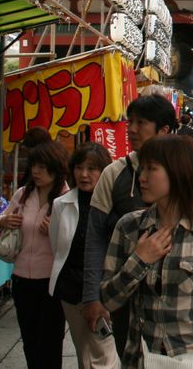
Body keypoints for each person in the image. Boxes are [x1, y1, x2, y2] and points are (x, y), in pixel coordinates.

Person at [101, 135, 193, 369]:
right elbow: (108, 299)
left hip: (191, 358)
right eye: (141, 168)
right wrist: (139, 260)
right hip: (140, 358)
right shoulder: (129, 227)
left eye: (151, 169)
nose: (142, 177)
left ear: (177, 172)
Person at [83, 94, 176, 355]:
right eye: (130, 121)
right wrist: (92, 297)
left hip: (173, 293)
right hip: (123, 292)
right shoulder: (114, 172)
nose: (131, 129)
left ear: (164, 130)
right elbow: (95, 237)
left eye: (141, 122)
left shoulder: (182, 173)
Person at [0, 141, 71, 369]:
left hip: (51, 284)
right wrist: (3, 220)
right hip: (21, 279)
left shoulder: (66, 199)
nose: (35, 172)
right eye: (33, 166)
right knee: (29, 340)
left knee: (49, 344)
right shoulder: (22, 194)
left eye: (42, 166)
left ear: (56, 168)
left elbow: (73, 242)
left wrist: (55, 230)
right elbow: (1, 217)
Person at [49, 143, 120, 369]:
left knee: (102, 351)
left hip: (105, 288)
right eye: (79, 168)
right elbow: (57, 246)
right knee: (84, 350)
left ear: (104, 171)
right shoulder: (62, 204)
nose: (84, 174)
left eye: (92, 168)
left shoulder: (115, 204)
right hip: (71, 288)